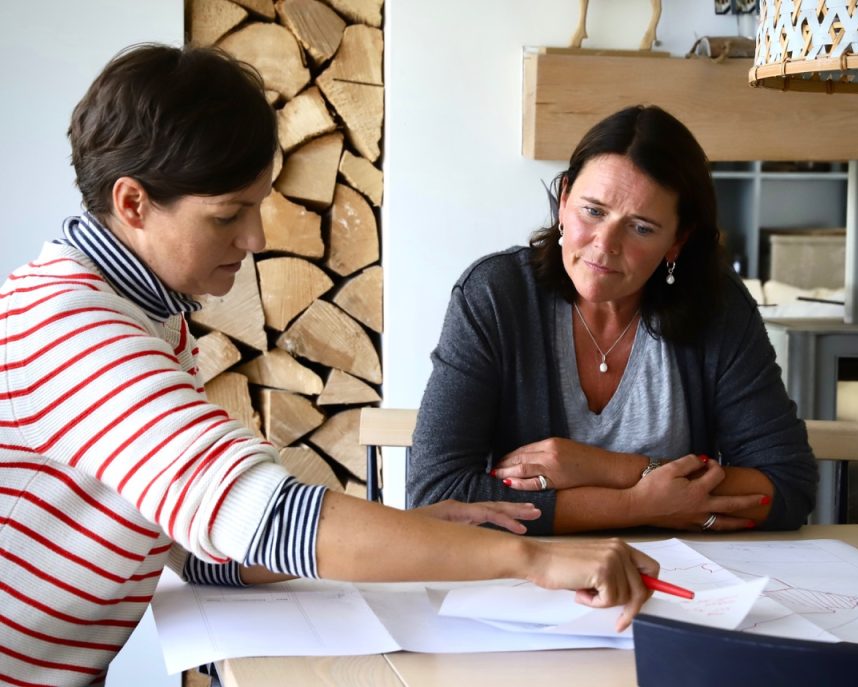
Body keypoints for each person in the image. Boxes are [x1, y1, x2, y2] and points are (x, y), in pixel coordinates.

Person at [0, 45, 658, 686]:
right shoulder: (73, 328)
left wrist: (415, 532)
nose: (256, 238)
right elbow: (264, 518)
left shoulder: (143, 313)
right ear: (133, 203)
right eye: (229, 215)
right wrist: (531, 558)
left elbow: (204, 549)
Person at [408, 105, 818, 536]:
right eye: (593, 211)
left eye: (641, 228)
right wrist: (638, 505)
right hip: (529, 570)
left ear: (677, 240)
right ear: (565, 199)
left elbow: (786, 485)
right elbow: (438, 496)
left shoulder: (718, 306)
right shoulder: (495, 295)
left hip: (683, 571)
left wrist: (601, 467)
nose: (605, 245)